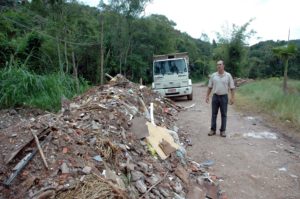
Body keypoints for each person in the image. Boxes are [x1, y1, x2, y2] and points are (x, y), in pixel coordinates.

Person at [205, 60, 235, 137]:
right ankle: (213, 130)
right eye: (217, 65)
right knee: (214, 114)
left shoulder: (228, 75)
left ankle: (223, 131)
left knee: (224, 114)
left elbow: (232, 87)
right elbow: (209, 87)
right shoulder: (213, 76)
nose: (219, 66)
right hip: (215, 97)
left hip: (224, 97)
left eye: (220, 64)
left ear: (223, 66)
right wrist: (207, 96)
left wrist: (232, 97)